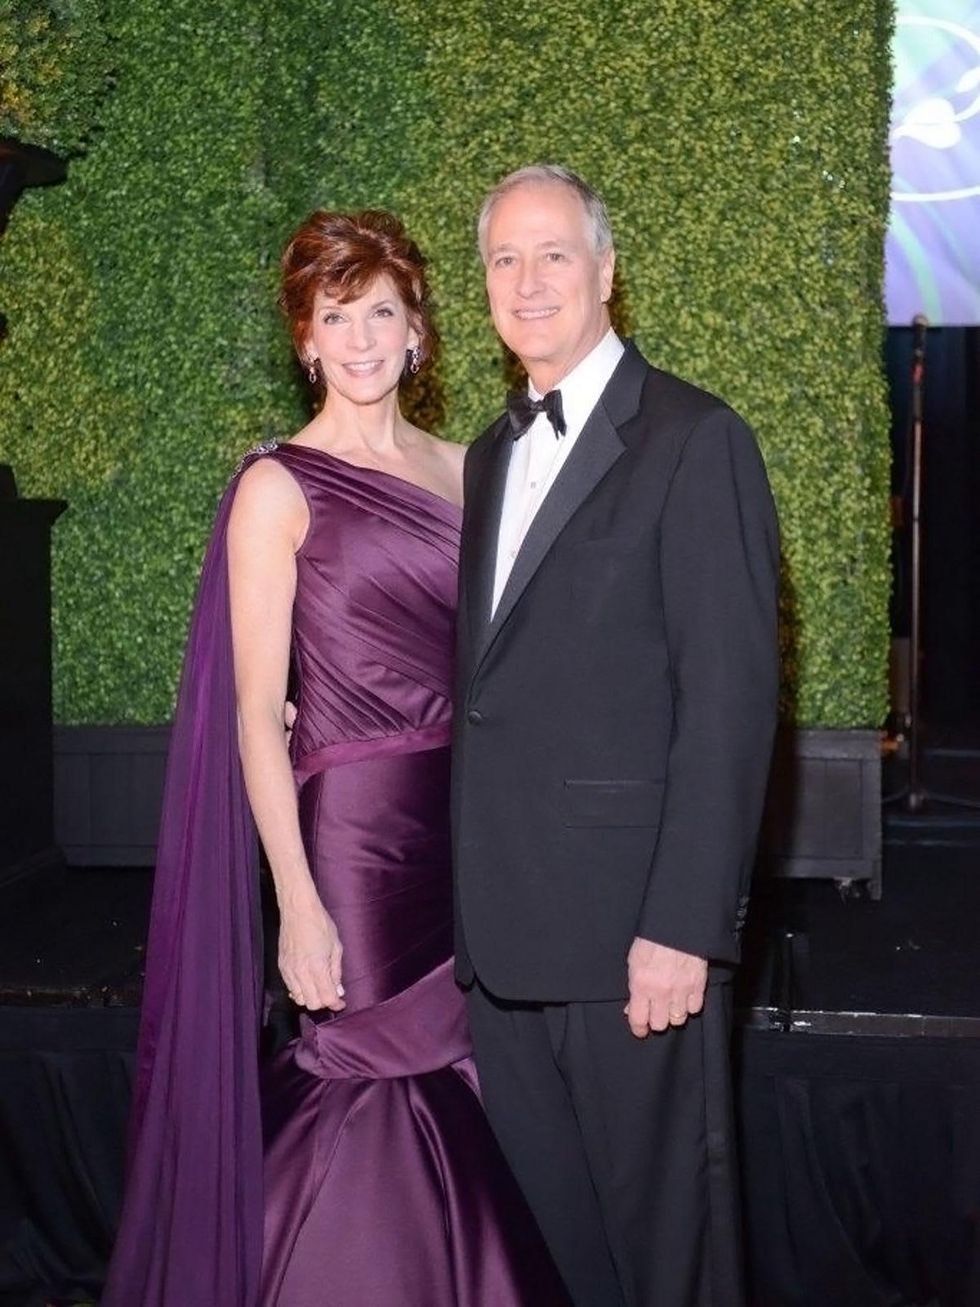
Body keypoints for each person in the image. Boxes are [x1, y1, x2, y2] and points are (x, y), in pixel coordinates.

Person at [102, 209, 567, 1307]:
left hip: (471, 822)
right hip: (354, 835)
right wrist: (300, 904)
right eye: (334, 316)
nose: (360, 339)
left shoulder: (472, 469)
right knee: (363, 1066)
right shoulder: (277, 487)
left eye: (381, 313)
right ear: (304, 339)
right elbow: (255, 715)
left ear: (418, 330)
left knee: (469, 1069)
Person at [452, 164, 781, 1307]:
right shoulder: (488, 453)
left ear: (604, 270)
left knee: (666, 1262)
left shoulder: (695, 438)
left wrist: (682, 924)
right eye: (503, 258)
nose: (527, 280)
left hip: (631, 944)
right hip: (501, 938)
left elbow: (729, 701)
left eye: (552, 253)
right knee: (561, 1255)